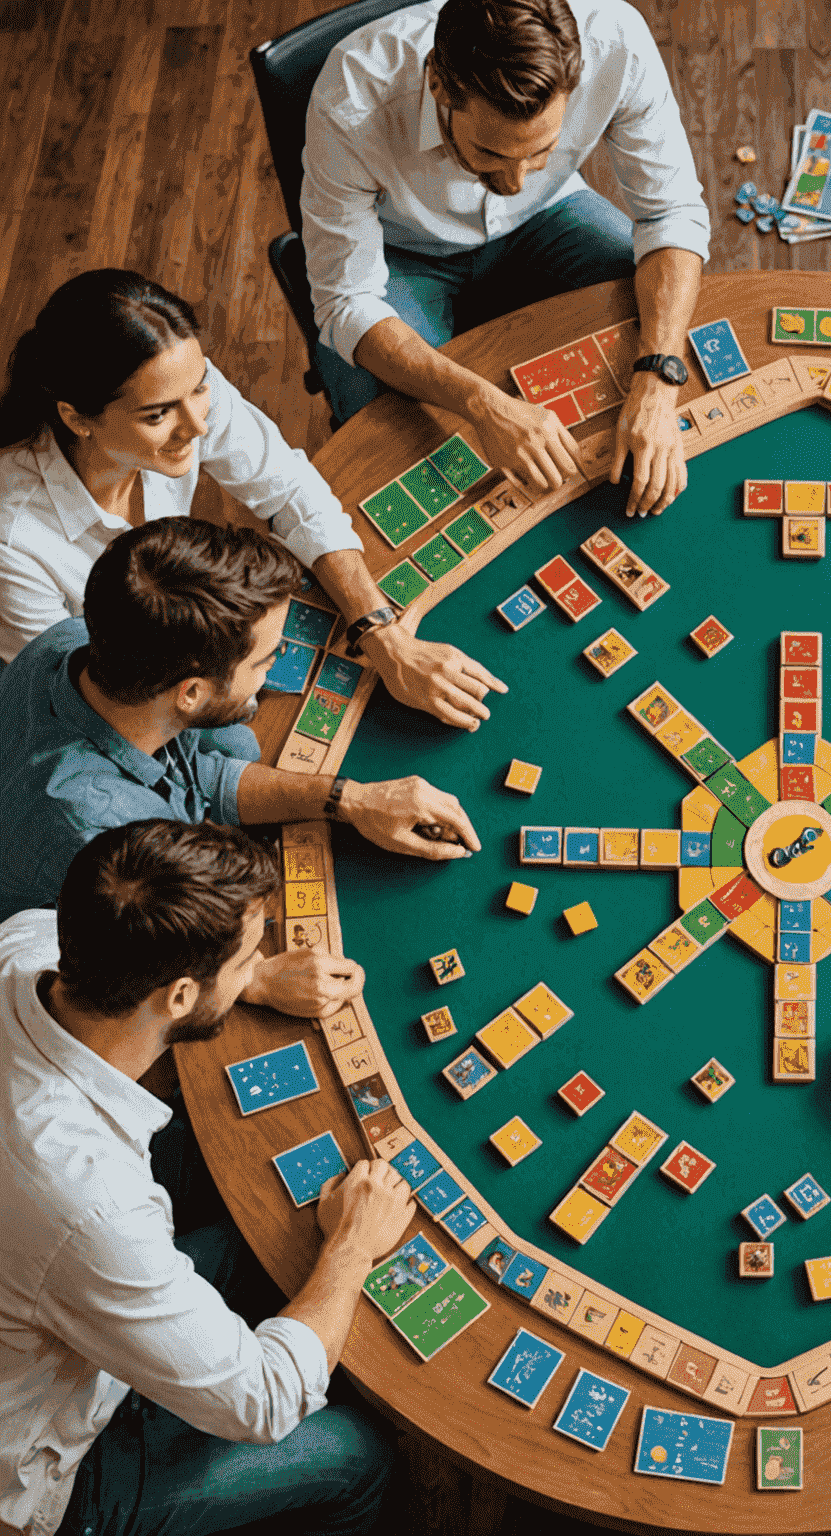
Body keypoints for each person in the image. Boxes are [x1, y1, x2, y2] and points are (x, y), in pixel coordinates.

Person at [0, 819, 417, 1536]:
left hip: (40, 1287)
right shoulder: (91, 1204)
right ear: (180, 996)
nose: (259, 963)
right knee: (359, 1454)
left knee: (257, 1245)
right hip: (39, 1470)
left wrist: (253, 978)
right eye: (249, 956)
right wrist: (353, 1245)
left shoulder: (26, 945)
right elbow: (266, 1400)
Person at [0, 269, 505, 729]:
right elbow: (79, 702)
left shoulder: (179, 386)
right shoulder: (12, 542)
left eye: (200, 389)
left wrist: (383, 636)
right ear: (76, 418)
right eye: (157, 416)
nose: (198, 427)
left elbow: (291, 491)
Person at [0, 519, 482, 988]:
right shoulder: (103, 829)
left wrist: (352, 800)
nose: (276, 666)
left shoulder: (81, 642)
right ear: (190, 693)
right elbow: (132, 972)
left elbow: (196, 778)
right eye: (264, 660)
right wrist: (255, 979)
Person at [302, 0, 710, 518]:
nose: (514, 183)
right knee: (397, 433)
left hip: (549, 214)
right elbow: (347, 301)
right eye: (490, 153)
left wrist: (656, 379)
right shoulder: (352, 98)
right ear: (438, 85)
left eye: (541, 151)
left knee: (658, 326)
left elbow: (671, 214)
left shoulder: (617, 43)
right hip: (401, 252)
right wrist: (483, 404)